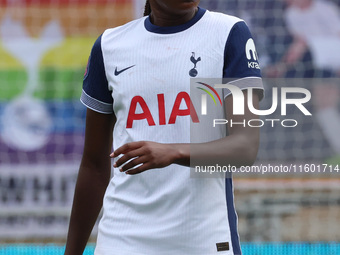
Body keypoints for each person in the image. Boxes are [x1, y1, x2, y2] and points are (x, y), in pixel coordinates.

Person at [64, 1, 263, 254]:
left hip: (202, 237)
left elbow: (245, 147)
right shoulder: (110, 45)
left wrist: (172, 151)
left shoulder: (229, 32)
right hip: (122, 238)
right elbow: (93, 165)